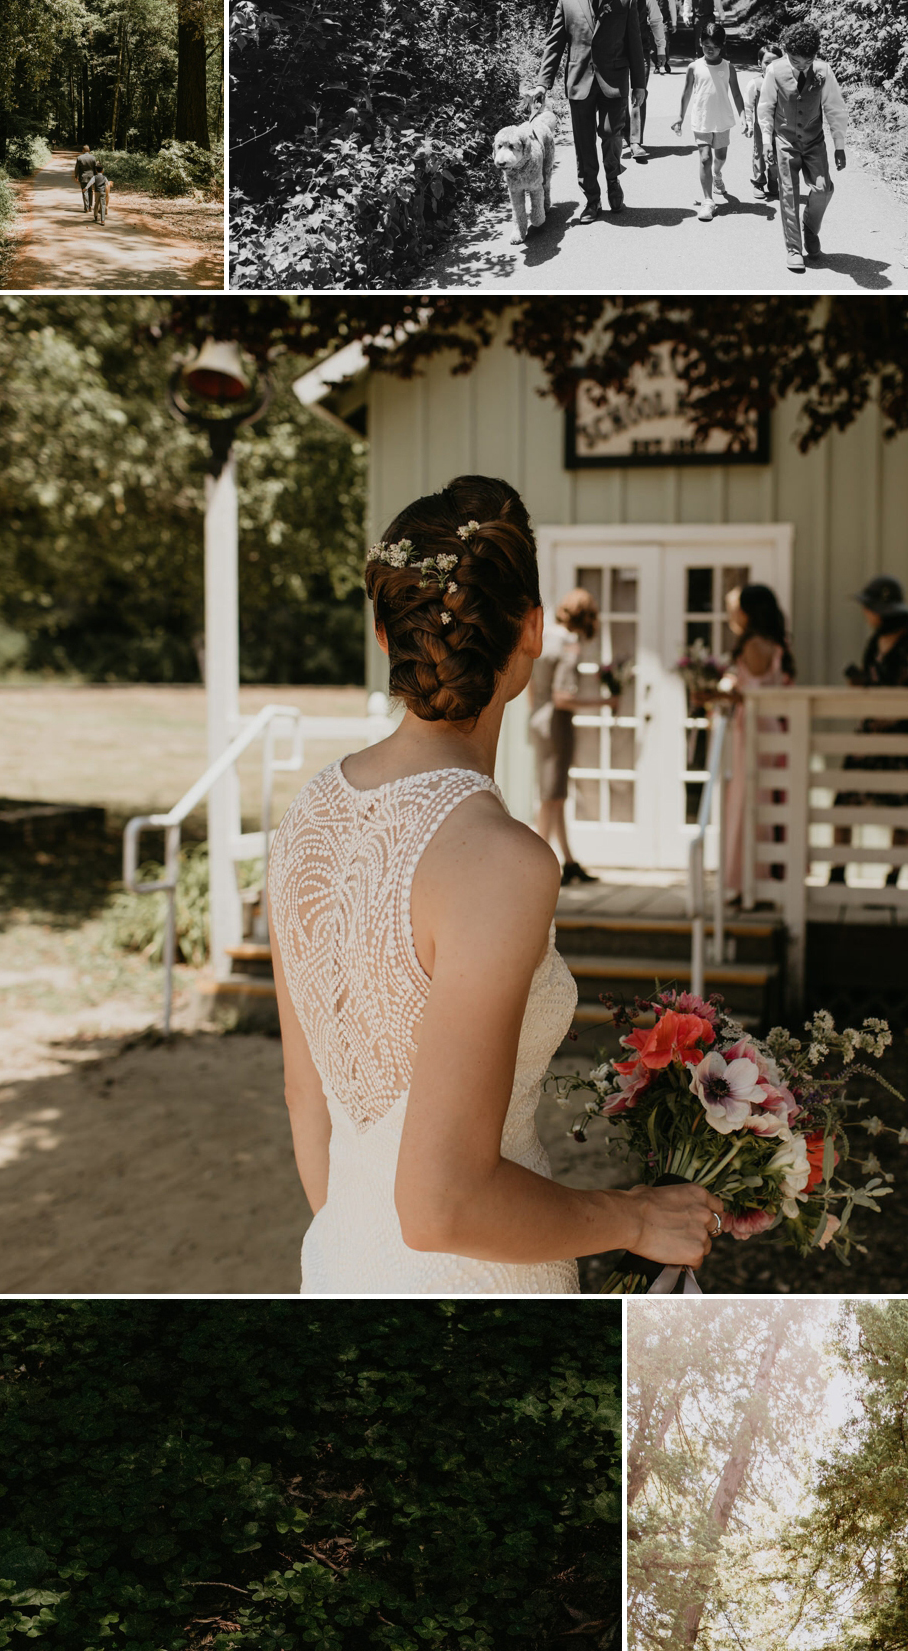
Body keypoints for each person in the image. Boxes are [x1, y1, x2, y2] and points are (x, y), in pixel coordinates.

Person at [267, 474, 720, 1296]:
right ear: (534, 631)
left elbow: (310, 1100)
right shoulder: (502, 862)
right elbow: (445, 1207)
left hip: (337, 1266)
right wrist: (638, 1217)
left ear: (383, 634)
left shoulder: (306, 818)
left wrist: (362, 1261)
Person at [828, 581, 908, 887]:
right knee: (844, 803)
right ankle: (838, 871)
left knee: (900, 808)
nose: (865, 613)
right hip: (867, 736)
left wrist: (895, 714)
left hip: (902, 738)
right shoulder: (874, 642)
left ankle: (894, 874)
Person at [540, 0, 647, 224]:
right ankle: (592, 199)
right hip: (579, 82)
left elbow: (634, 43)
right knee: (584, 144)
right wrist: (543, 83)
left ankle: (613, 178)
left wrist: (640, 84)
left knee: (612, 133)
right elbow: (554, 44)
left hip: (614, 80)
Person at [531, 585, 614, 885]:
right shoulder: (568, 646)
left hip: (541, 720)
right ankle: (538, 864)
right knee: (551, 795)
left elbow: (534, 688)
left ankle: (568, 860)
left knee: (556, 793)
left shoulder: (546, 638)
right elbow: (563, 697)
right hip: (557, 722)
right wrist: (605, 703)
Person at [717, 581, 793, 904]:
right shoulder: (780, 644)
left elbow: (749, 690)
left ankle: (749, 882)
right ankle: (767, 878)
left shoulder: (752, 645)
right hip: (775, 727)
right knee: (769, 800)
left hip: (752, 728)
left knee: (748, 801)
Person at [757, 21, 849, 273]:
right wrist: (766, 141)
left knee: (823, 188)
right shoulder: (774, 71)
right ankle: (794, 249)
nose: (802, 67)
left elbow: (834, 108)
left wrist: (839, 144)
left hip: (813, 141)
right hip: (784, 142)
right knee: (788, 194)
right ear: (786, 53)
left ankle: (810, 227)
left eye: (807, 62)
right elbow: (765, 107)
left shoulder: (823, 71)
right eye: (796, 62)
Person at [671, 24, 744, 221]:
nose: (709, 50)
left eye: (714, 46)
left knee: (720, 156)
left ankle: (717, 174)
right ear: (700, 44)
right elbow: (686, 93)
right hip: (701, 119)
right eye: (705, 45)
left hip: (722, 120)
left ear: (722, 46)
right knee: (704, 157)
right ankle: (708, 201)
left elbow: (736, 94)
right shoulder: (694, 67)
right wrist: (680, 116)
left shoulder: (728, 67)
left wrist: (743, 116)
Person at [616, 0, 667, 160]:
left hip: (641, 50)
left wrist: (661, 49)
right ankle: (622, 134)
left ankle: (636, 142)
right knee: (619, 94)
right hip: (617, 51)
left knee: (639, 92)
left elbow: (655, 20)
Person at [736, 38, 780, 198]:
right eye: (767, 62)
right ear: (759, 63)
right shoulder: (755, 84)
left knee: (778, 155)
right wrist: (747, 123)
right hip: (761, 128)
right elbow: (748, 106)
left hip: (781, 127)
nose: (771, 67)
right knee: (760, 155)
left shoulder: (785, 83)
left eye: (775, 63)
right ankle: (759, 182)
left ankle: (774, 179)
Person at [73, 144, 102, 211]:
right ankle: (90, 206)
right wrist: (96, 176)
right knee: (90, 191)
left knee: (84, 191)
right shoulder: (93, 158)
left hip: (83, 177)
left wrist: (76, 176)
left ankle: (86, 206)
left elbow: (77, 168)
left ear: (83, 150)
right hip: (91, 177)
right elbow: (95, 168)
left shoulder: (79, 158)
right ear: (89, 150)